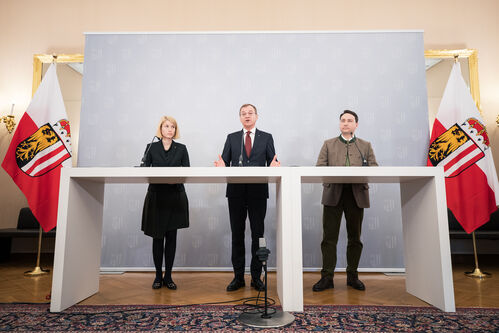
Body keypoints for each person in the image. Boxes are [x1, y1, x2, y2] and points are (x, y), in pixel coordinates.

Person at [214, 103, 280, 292]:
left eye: (250, 113)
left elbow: (272, 162)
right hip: (235, 192)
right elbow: (224, 162)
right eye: (243, 113)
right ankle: (238, 277)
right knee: (237, 234)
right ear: (239, 117)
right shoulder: (232, 138)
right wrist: (221, 166)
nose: (247, 116)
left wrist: (274, 167)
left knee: (258, 236)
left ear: (257, 116)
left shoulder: (266, 137)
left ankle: (256, 278)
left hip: (258, 192)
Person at [313, 110, 378, 292]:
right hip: (333, 193)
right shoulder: (328, 144)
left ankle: (352, 276)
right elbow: (319, 168)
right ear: (339, 124)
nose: (346, 123)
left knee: (355, 238)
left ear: (356, 125)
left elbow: (374, 168)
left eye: (350, 121)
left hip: (356, 195)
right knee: (329, 238)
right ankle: (327, 278)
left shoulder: (364, 145)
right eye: (343, 120)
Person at [141, 116, 190, 290]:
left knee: (171, 238)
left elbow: (187, 173)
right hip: (157, 197)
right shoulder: (151, 148)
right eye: (166, 126)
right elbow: (144, 171)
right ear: (160, 129)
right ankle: (157, 276)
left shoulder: (182, 148)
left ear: (175, 131)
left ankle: (168, 276)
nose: (169, 129)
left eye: (173, 127)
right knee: (157, 238)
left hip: (175, 197)